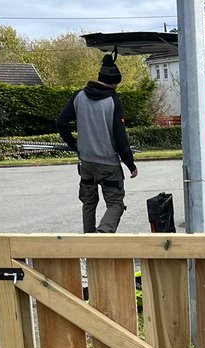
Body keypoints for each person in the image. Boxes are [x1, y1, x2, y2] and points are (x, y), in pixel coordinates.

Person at [56, 53, 139, 233]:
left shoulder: (78, 96)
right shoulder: (113, 101)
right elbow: (120, 139)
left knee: (88, 202)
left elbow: (61, 122)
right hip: (108, 164)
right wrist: (130, 164)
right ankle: (103, 234)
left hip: (86, 163)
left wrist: (74, 144)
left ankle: (88, 238)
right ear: (114, 82)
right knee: (115, 203)